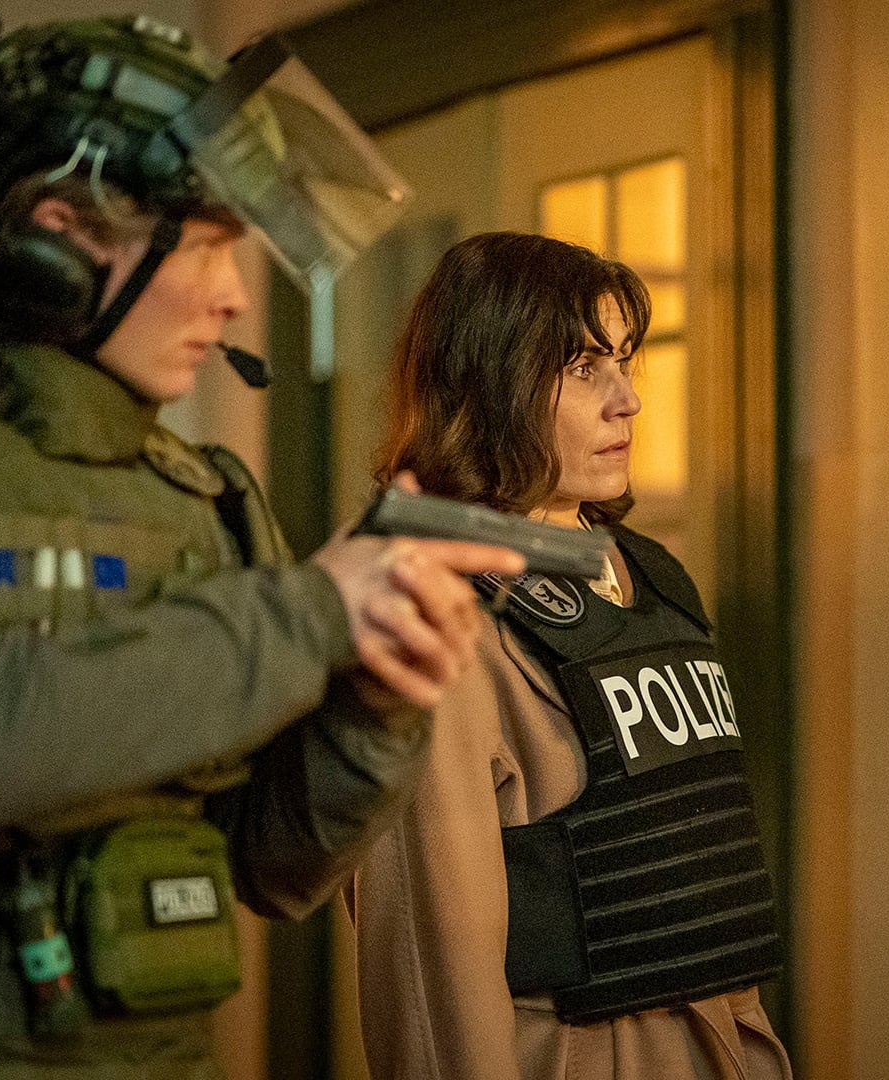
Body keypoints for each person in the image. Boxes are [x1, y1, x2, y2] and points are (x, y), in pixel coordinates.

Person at [0, 15, 525, 1076]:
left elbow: (272, 864)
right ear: (57, 239)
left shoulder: (197, 490)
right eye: (205, 246)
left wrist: (373, 709)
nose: (235, 297)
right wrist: (313, 612)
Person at [348, 231, 791, 1079]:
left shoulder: (655, 577)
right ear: (490, 383)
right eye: (584, 368)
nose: (628, 400)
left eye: (624, 360)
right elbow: (435, 984)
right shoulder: (437, 609)